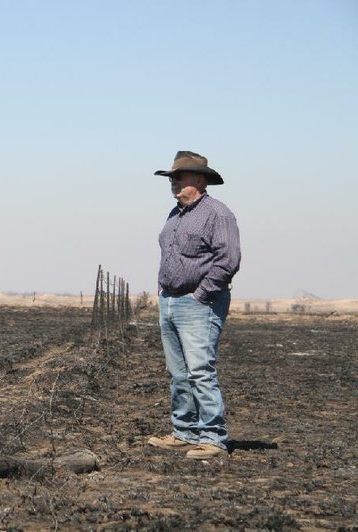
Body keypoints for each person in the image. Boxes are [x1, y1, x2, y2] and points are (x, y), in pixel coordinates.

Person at [147, 150, 241, 460]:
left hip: (199, 303)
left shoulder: (218, 213)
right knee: (177, 372)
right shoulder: (174, 214)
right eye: (171, 178)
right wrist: (164, 289)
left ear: (199, 180)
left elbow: (228, 260)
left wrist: (201, 294)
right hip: (170, 301)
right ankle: (183, 433)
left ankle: (213, 438)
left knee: (200, 371)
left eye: (179, 177)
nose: (173, 183)